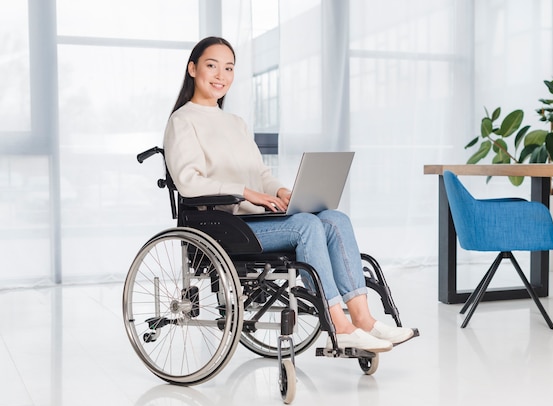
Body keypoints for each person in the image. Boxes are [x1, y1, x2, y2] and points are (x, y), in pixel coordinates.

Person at [164, 36, 416, 352]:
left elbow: (260, 175)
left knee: (334, 219)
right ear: (192, 69)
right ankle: (339, 325)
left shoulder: (235, 123)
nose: (220, 75)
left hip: (257, 221)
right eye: (212, 66)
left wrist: (281, 190)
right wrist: (245, 193)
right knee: (308, 226)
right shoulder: (182, 120)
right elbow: (189, 183)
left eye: (228, 68)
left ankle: (363, 319)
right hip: (222, 227)